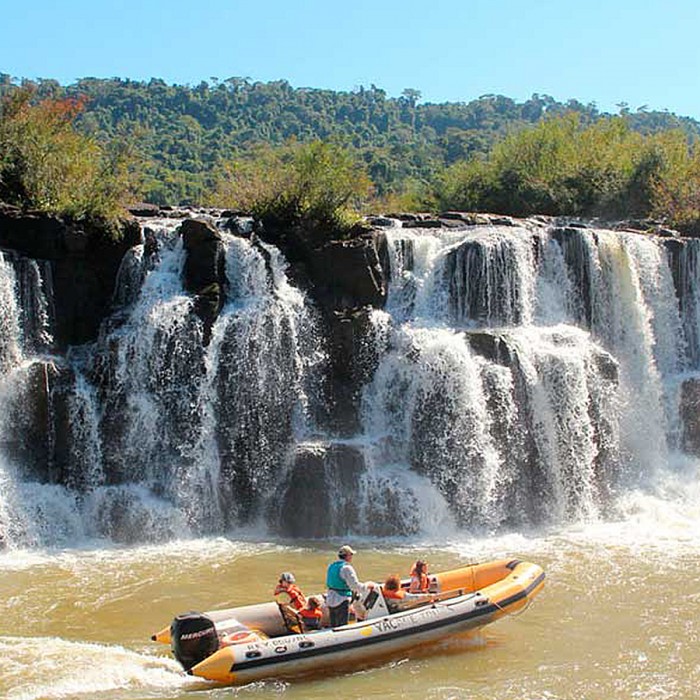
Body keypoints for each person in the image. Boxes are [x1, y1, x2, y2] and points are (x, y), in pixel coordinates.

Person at [326, 545, 369, 627]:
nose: (352, 557)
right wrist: (366, 586)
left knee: (333, 624)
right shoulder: (346, 568)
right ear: (348, 556)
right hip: (342, 599)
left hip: (330, 598)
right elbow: (355, 586)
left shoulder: (331, 566)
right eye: (351, 555)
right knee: (342, 626)